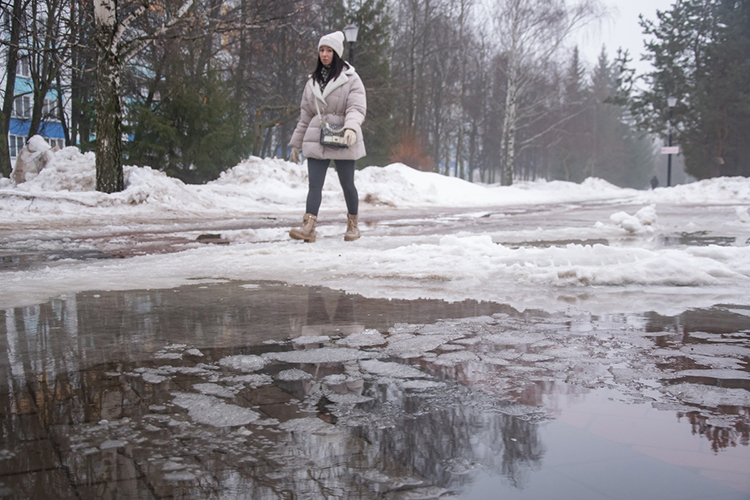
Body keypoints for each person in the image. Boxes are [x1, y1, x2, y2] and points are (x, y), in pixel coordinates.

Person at [288, 31, 367, 243]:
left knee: (347, 184)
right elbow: (305, 115)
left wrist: (351, 128)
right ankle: (309, 227)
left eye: (329, 50)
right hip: (316, 136)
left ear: (337, 53)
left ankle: (353, 225)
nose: (324, 54)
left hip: (342, 136)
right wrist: (296, 143)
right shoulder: (312, 82)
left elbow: (356, 107)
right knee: (314, 185)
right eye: (321, 50)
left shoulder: (351, 79)